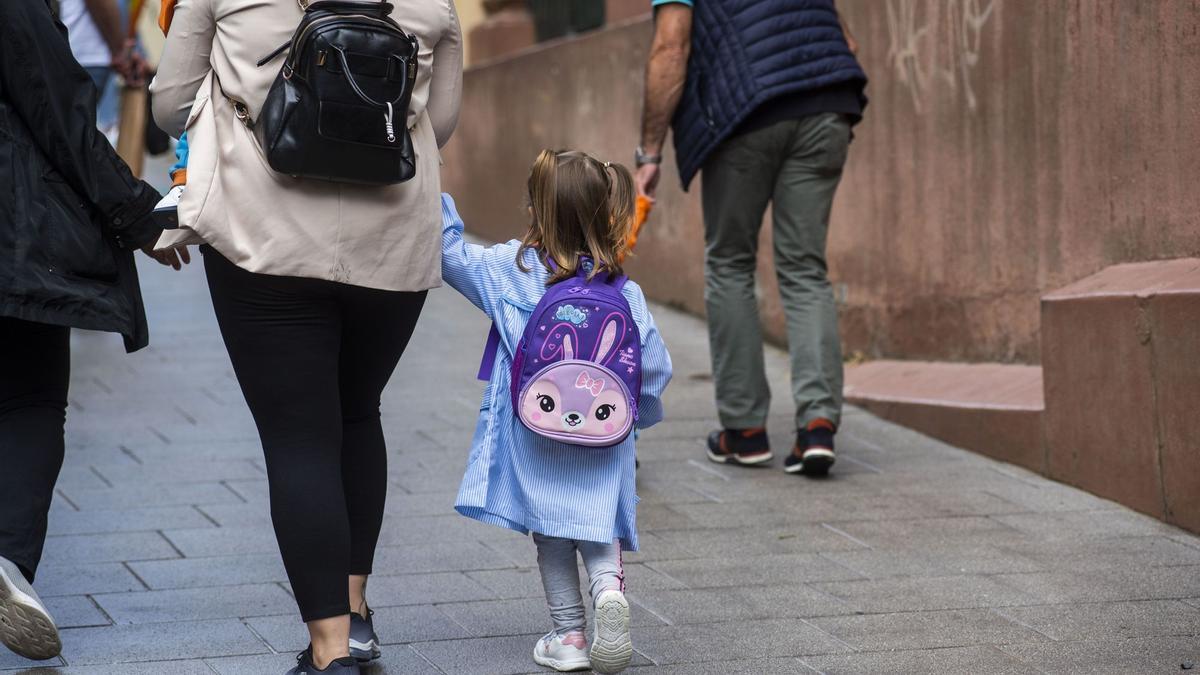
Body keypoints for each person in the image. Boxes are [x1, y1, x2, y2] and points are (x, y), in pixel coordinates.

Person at [149, 0, 463, 672]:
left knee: (299, 436)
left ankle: (330, 650)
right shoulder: (434, 4)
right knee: (358, 410)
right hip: (391, 246)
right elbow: (438, 122)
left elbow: (169, 108)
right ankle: (355, 610)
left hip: (263, 238)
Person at [440, 150, 673, 674]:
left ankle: (568, 636)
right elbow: (654, 367)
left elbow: (448, 253)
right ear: (606, 212)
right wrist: (637, 418)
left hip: (535, 432)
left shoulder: (509, 270)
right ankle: (608, 588)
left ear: (535, 209)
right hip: (604, 435)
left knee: (550, 530)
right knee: (596, 521)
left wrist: (432, 191)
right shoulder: (624, 291)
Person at [0, 0, 179, 661]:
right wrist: (140, 216)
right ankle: (8, 562)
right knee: (30, 398)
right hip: (13, 236)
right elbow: (60, 114)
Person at [634, 0, 866, 475]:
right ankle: (818, 425)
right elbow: (846, 39)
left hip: (745, 111)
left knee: (730, 261)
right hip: (826, 101)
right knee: (804, 265)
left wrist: (650, 152)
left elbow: (670, 47)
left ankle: (744, 431)